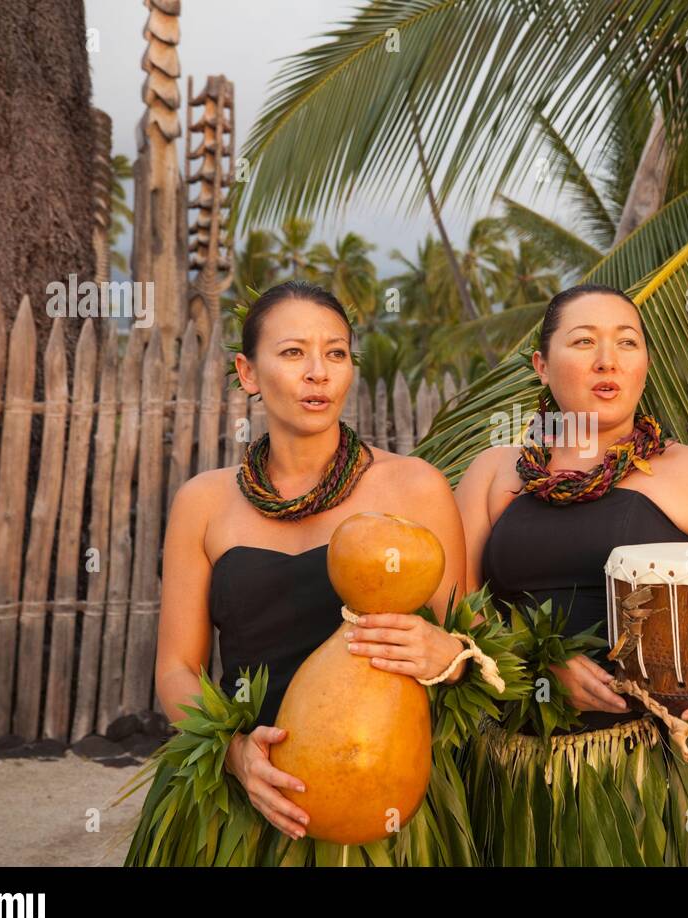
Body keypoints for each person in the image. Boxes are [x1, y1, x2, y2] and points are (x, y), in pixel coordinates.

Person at [122, 280, 517, 866]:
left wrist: (448, 655)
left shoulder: (412, 488)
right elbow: (179, 668)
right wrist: (233, 754)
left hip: (380, 800)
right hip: (236, 806)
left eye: (335, 353)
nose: (318, 372)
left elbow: (472, 648)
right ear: (247, 372)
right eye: (292, 353)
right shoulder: (203, 502)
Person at [454, 282, 688, 866]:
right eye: (583, 341)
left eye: (626, 342)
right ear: (541, 365)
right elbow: (451, 614)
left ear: (644, 364)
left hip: (670, 778)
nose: (607, 359)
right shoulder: (492, 472)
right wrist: (536, 664)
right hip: (524, 779)